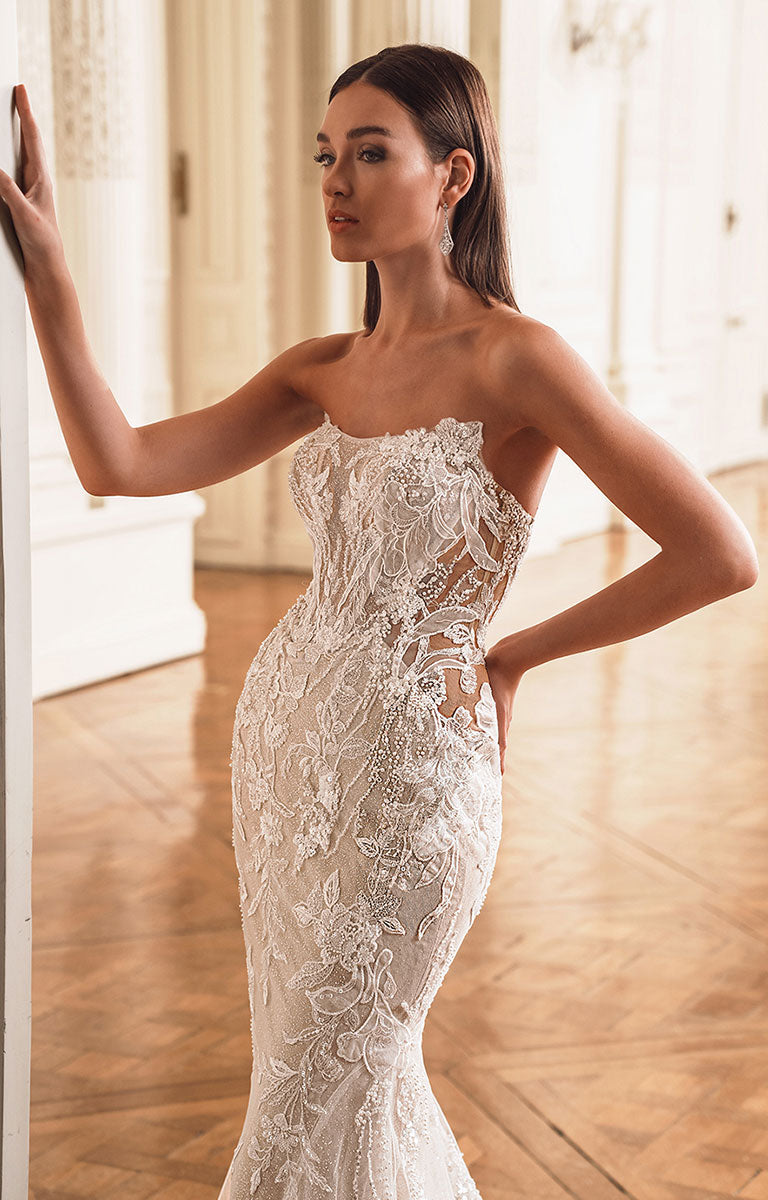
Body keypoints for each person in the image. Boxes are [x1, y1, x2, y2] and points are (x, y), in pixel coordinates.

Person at [1, 42, 758, 1200]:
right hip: (287, 763)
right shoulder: (323, 369)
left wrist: (508, 657)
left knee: (337, 1069)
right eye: (324, 155)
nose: (335, 183)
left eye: (369, 152)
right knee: (305, 1086)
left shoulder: (520, 358)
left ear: (452, 178)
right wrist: (51, 275)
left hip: (416, 776)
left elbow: (720, 552)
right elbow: (121, 461)